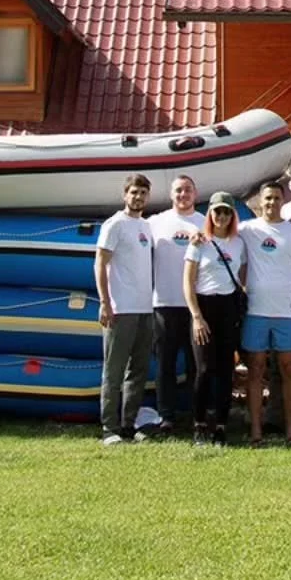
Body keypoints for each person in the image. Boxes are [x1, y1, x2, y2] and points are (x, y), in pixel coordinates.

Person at [239, 177, 291, 446]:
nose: (271, 202)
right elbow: (219, 234)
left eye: (276, 198)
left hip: (287, 311)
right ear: (260, 201)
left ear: (284, 201)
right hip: (256, 311)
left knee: (289, 369)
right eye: (267, 198)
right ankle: (256, 429)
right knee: (256, 369)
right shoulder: (247, 229)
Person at [182, 191, 246, 448]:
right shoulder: (199, 242)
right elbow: (187, 281)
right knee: (204, 369)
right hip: (204, 306)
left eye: (226, 212)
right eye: (217, 211)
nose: (221, 216)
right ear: (210, 214)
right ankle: (199, 424)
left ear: (232, 215)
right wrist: (197, 316)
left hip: (228, 308)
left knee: (225, 370)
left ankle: (221, 426)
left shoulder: (239, 242)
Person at [95, 173, 155, 446]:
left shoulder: (146, 226)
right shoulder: (114, 225)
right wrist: (105, 302)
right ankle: (109, 428)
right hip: (121, 308)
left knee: (138, 370)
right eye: (134, 192)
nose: (138, 197)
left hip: (145, 308)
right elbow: (100, 264)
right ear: (125, 195)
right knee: (114, 371)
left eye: (143, 193)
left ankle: (129, 424)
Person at [148, 174, 206, 435]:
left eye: (188, 190)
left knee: (198, 365)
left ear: (196, 194)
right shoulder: (155, 223)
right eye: (179, 191)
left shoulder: (205, 223)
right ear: (171, 195)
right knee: (165, 365)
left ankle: (198, 417)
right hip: (164, 303)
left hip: (197, 307)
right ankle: (166, 417)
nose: (183, 195)